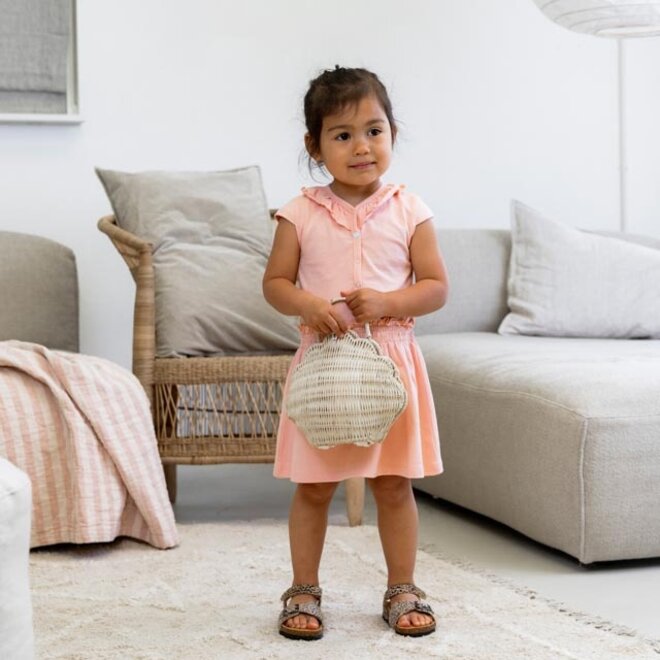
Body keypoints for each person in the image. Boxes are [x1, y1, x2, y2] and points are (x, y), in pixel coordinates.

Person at [263, 66, 449, 641]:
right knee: (314, 485)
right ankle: (303, 588)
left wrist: (389, 300)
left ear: (392, 132)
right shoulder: (298, 213)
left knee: (394, 483)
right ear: (314, 146)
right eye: (342, 135)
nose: (361, 146)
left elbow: (436, 287)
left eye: (373, 130)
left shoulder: (410, 208)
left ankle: (402, 585)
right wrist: (310, 305)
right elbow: (275, 283)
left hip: (390, 363)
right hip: (325, 364)